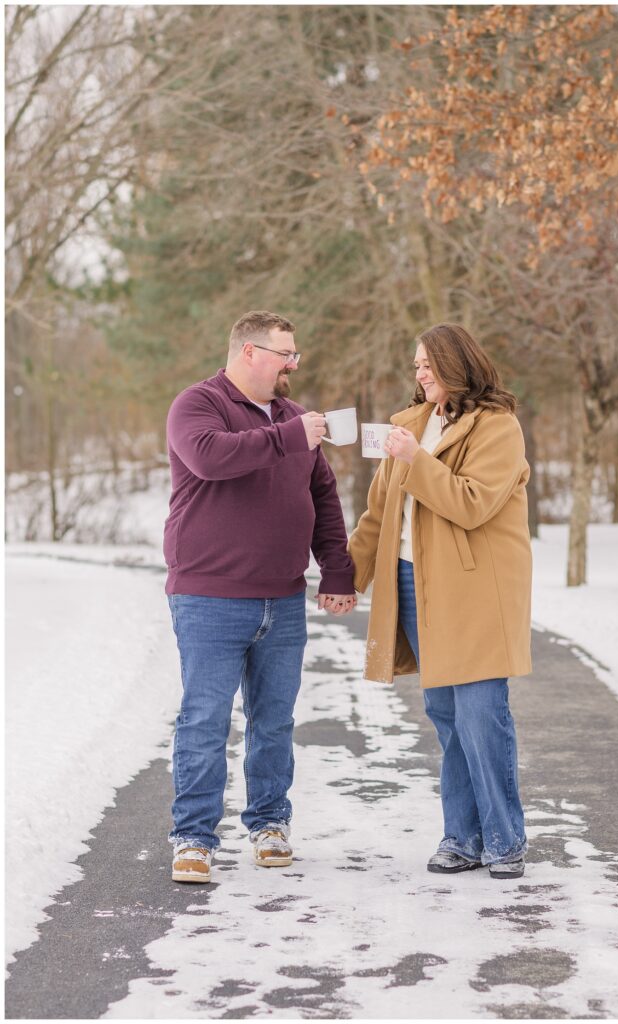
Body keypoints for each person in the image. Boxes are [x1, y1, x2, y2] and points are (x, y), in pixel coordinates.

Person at [164, 310, 356, 883]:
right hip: (209, 597)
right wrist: (287, 436)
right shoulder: (197, 405)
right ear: (249, 352)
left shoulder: (297, 421)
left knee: (273, 722)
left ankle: (269, 824)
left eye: (295, 354)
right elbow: (211, 457)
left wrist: (337, 572)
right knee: (204, 720)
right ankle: (194, 839)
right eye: (285, 353)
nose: (293, 363)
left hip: (284, 598)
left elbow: (324, 500)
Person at [348, 323, 531, 879]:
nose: (419, 373)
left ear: (456, 365)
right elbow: (380, 512)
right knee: (447, 716)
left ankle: (505, 839)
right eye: (416, 364)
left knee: (481, 714)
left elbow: (472, 503)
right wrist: (345, 576)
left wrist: (418, 461)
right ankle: (461, 837)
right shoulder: (410, 425)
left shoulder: (498, 427)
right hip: (412, 580)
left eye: (427, 364)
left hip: (474, 589)